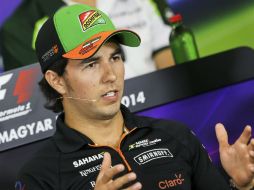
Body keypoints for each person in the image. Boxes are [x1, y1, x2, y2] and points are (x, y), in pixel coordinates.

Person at [16, 4, 254, 190]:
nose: (111, 75)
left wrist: (241, 185)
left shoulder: (176, 136)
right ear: (57, 80)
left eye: (115, 57)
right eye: (91, 64)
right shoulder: (39, 176)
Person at [0, 0, 174, 79]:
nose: (111, 75)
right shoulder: (20, 28)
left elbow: (173, 64)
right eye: (90, 63)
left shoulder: (147, 2)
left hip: (159, 112)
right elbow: (41, 102)